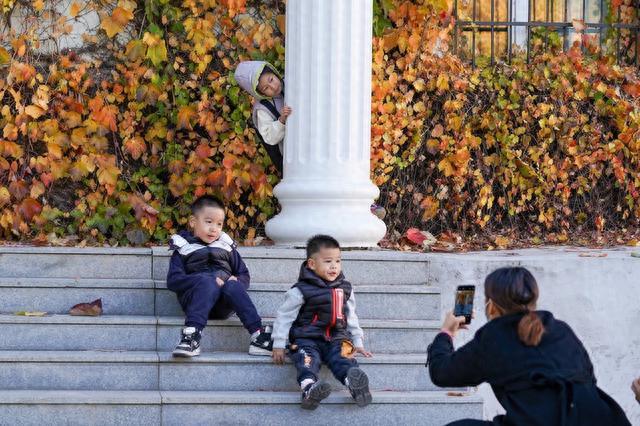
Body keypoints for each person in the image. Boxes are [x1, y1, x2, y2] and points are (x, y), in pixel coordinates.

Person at [427, 266, 631, 426]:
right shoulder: (561, 329)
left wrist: (446, 333)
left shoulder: (493, 338)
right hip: (604, 419)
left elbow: (442, 372)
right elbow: (589, 377)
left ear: (491, 305)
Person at [270, 234, 373, 410]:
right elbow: (284, 316)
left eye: (338, 261)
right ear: (312, 264)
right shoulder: (301, 290)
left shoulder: (345, 288)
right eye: (328, 261)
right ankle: (309, 388)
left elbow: (351, 316)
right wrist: (279, 342)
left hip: (338, 337)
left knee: (345, 358)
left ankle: (354, 383)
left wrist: (357, 341)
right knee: (307, 360)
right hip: (307, 339)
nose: (334, 266)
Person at [166, 195, 272, 357]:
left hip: (223, 304)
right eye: (208, 222)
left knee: (233, 285)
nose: (214, 228)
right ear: (193, 222)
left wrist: (237, 281)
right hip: (196, 301)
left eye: (219, 224)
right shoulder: (183, 248)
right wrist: (205, 280)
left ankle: (258, 336)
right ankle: (191, 337)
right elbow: (173, 281)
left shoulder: (227, 248)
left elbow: (243, 274)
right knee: (207, 282)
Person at [234, 60, 292, 174]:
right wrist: (281, 120)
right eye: (266, 88)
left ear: (274, 73)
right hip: (290, 151)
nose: (273, 86)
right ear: (261, 93)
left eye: (271, 79)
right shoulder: (263, 109)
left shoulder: (288, 83)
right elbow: (269, 136)